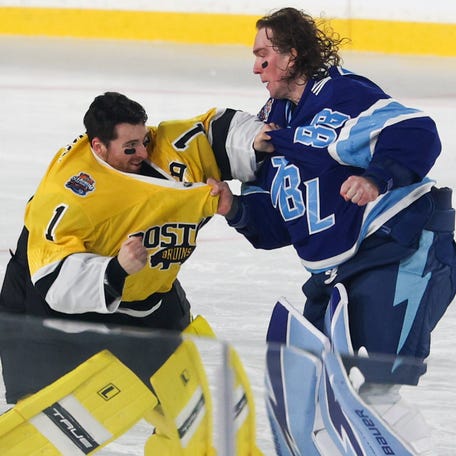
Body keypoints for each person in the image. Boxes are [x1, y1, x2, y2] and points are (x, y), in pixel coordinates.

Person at [209, 7, 456, 454]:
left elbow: (418, 131)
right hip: (339, 272)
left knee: (379, 393)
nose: (255, 66)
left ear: (292, 55)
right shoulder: (272, 121)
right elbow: (278, 222)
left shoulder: (342, 94)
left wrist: (376, 177)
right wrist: (235, 208)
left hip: (400, 245)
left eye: (264, 54)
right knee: (318, 402)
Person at [0, 91, 263, 331]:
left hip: (148, 296)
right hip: (52, 306)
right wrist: (116, 270)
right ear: (98, 147)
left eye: (144, 140)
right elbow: (52, 275)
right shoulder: (71, 193)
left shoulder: (166, 150)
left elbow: (211, 131)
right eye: (130, 147)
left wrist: (255, 140)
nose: (142, 153)